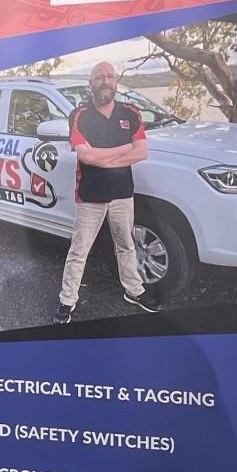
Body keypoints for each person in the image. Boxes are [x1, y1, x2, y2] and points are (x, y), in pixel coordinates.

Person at [55, 60, 161, 323]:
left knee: (126, 245)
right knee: (79, 250)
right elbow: (86, 156)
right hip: (90, 195)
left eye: (110, 76)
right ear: (91, 83)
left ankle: (134, 291)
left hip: (122, 193)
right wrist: (125, 149)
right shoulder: (80, 115)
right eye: (99, 77)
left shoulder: (131, 113)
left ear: (116, 82)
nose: (105, 81)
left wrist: (103, 157)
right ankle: (67, 300)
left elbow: (142, 151)